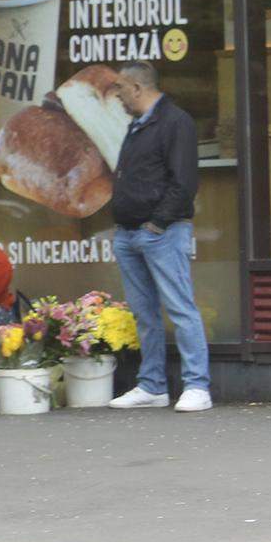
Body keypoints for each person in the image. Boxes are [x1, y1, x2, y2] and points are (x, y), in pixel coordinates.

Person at [107, 61, 211, 412]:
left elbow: (184, 183)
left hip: (160, 233)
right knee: (144, 315)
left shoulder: (174, 122)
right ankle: (152, 386)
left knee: (181, 308)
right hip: (130, 234)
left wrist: (157, 224)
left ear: (137, 88)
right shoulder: (137, 125)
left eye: (120, 88)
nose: (117, 95)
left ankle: (198, 385)